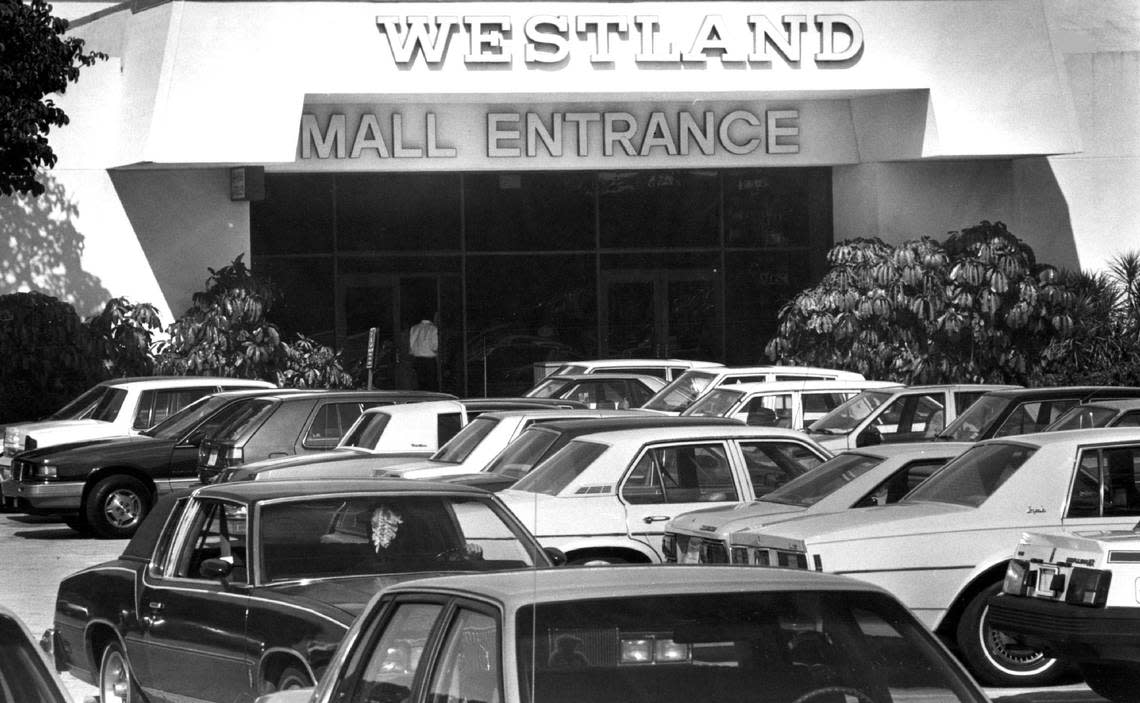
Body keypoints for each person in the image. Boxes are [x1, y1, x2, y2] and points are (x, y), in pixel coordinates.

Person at [409, 315, 440, 391]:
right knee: (431, 384)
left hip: (417, 359)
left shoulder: (414, 328)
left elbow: (411, 344)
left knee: (420, 383)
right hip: (429, 360)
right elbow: (434, 346)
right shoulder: (433, 329)